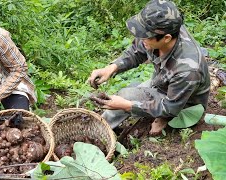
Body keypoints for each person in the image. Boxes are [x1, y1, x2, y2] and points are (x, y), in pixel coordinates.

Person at [88, 0, 210, 135]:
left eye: (145, 36)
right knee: (132, 90)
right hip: (163, 83)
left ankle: (96, 133)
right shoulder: (162, 30)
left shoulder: (188, 69)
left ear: (167, 38)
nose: (140, 38)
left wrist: (126, 106)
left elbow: (170, 107)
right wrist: (112, 68)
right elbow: (137, 51)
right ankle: (100, 129)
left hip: (183, 105)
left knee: (126, 96)